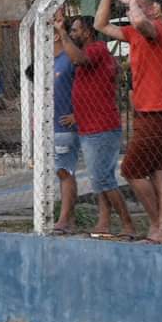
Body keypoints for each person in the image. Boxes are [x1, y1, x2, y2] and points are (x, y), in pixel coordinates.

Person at [95, 0, 162, 244]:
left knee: (131, 170)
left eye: (140, 7)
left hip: (158, 111)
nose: (133, 13)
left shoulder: (160, 31)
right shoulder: (133, 34)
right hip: (151, 112)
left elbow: (142, 23)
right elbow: (100, 25)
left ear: (155, 9)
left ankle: (157, 224)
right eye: (132, 8)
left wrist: (132, 0)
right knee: (157, 171)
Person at [56, 16, 136, 239]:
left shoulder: (97, 49)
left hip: (101, 127)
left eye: (75, 30)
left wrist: (61, 33)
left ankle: (128, 224)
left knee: (103, 179)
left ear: (89, 32)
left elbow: (77, 58)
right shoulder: (99, 53)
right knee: (99, 178)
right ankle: (104, 222)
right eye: (70, 31)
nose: (72, 34)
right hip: (91, 126)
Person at [50, 22, 80, 234]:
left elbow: (86, 88)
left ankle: (64, 219)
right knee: (60, 171)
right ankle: (69, 218)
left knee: (65, 171)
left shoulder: (68, 60)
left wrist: (77, 114)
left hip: (64, 127)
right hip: (49, 126)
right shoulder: (47, 62)